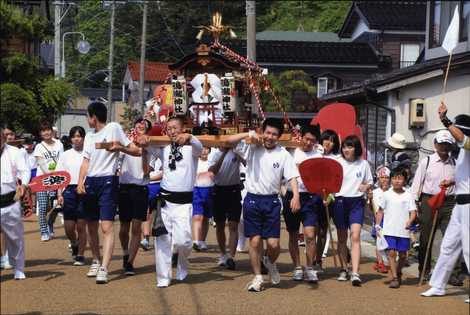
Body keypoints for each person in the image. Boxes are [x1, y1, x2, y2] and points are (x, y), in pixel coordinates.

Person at [227, 118, 300, 292]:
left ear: (279, 136)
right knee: (255, 240)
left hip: (272, 201)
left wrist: (296, 196)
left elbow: (292, 177)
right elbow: (228, 141)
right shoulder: (252, 147)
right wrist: (248, 134)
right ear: (262, 131)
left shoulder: (283, 154)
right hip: (252, 199)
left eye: (274, 134)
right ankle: (258, 276)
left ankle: (269, 261)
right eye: (267, 133)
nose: (270, 137)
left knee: (274, 244)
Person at [77, 101, 143, 284]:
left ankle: (104, 268)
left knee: (106, 226)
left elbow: (137, 151)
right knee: (91, 226)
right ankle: (96, 260)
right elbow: (85, 162)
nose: (87, 120)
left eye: (87, 116)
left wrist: (120, 147)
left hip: (108, 181)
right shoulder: (89, 137)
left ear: (94, 117)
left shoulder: (114, 127)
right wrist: (80, 181)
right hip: (90, 182)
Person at [421, 103, 470, 304]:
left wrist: (445, 120)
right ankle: (438, 285)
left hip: (469, 205)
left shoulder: (467, 144)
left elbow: (463, 139)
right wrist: (452, 181)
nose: (455, 135)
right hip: (460, 205)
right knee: (448, 246)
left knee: (469, 249)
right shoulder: (461, 153)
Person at [150, 116, 203, 288]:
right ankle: (163, 278)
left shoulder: (191, 148)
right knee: (162, 240)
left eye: (175, 128)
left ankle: (182, 261)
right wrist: (144, 137)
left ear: (182, 128)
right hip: (165, 200)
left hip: (184, 203)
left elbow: (200, 148)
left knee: (184, 242)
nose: (172, 131)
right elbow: (149, 147)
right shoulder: (163, 148)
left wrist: (190, 138)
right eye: (169, 128)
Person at [411, 129, 456, 281]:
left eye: (447, 144)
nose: (444, 147)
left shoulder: (455, 163)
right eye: (441, 143)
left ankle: (451, 274)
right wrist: (414, 206)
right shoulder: (427, 161)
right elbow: (416, 185)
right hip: (428, 201)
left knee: (451, 238)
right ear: (435, 144)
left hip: (449, 202)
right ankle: (424, 271)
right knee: (425, 238)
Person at [282, 125, 322, 283]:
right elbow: (281, 142)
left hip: (311, 197)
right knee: (292, 233)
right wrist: (292, 140)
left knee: (310, 234)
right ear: (301, 138)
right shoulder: (291, 151)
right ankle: (297, 267)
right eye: (306, 139)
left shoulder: (318, 154)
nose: (308, 143)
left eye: (312, 140)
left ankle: (310, 267)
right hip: (292, 196)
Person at [332, 135, 373, 286]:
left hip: (356, 202)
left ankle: (355, 272)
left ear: (356, 148)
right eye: (344, 147)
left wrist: (366, 186)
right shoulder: (337, 162)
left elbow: (369, 181)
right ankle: (344, 268)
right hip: (339, 201)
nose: (346, 150)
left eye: (350, 147)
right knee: (342, 237)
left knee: (355, 236)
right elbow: (330, 181)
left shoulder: (364, 164)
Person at [118, 118, 153, 276]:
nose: (140, 127)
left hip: (140, 188)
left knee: (136, 227)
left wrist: (144, 152)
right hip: (124, 188)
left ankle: (130, 262)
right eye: (138, 124)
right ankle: (125, 252)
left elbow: (146, 171)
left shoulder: (151, 149)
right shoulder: (126, 143)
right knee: (123, 228)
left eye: (144, 126)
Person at [375, 167, 417, 288]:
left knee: (403, 255)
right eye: (394, 178)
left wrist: (410, 220)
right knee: (392, 253)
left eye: (399, 178)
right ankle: (394, 278)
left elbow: (413, 211)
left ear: (404, 180)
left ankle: (398, 271)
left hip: (403, 230)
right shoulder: (386, 195)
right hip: (389, 229)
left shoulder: (408, 195)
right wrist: (378, 226)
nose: (396, 181)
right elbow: (380, 211)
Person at [0, 124, 31, 279]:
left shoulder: (15, 152)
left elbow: (24, 171)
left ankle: (18, 268)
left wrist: (24, 185)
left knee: (15, 238)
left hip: (10, 201)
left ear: (3, 138)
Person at [56, 126, 87, 266]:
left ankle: (80, 254)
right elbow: (59, 176)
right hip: (68, 190)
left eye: (79, 136)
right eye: (74, 136)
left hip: (84, 190)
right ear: (70, 139)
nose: (77, 139)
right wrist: (59, 193)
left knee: (81, 225)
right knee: (69, 227)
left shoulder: (88, 154)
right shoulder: (65, 155)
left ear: (84, 138)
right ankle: (74, 243)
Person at [209, 146, 243, 269]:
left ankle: (231, 257)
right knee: (220, 225)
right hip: (218, 190)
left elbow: (247, 162)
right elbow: (213, 170)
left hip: (234, 189)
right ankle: (223, 253)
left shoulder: (237, 151)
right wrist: (223, 154)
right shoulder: (214, 153)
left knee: (233, 224)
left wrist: (238, 152)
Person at [34, 120, 64, 241]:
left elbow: (61, 160)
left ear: (52, 131)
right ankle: (44, 231)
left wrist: (58, 176)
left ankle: (50, 224)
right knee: (42, 207)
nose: (46, 133)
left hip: (57, 180)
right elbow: (41, 164)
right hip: (42, 180)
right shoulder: (39, 147)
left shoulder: (59, 144)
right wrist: (51, 176)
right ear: (40, 133)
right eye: (43, 131)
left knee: (55, 206)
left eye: (48, 130)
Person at [368, 165, 391, 274]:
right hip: (378, 219)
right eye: (382, 177)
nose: (384, 180)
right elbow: (370, 207)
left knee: (387, 241)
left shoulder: (392, 191)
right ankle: (381, 263)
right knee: (378, 241)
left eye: (387, 177)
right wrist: (370, 199)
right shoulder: (375, 192)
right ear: (378, 179)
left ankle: (382, 261)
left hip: (390, 219)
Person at [192, 147, 214, 252]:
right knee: (197, 216)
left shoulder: (212, 161)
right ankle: (196, 241)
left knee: (205, 217)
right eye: (202, 148)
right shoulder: (194, 160)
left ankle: (202, 241)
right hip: (196, 190)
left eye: (206, 149)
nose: (204, 151)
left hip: (210, 190)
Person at [141, 152, 162, 251]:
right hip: (147, 186)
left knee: (160, 215)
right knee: (146, 213)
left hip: (160, 186)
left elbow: (165, 173)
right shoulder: (146, 154)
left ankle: (160, 239)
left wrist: (148, 178)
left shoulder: (164, 153)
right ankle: (145, 238)